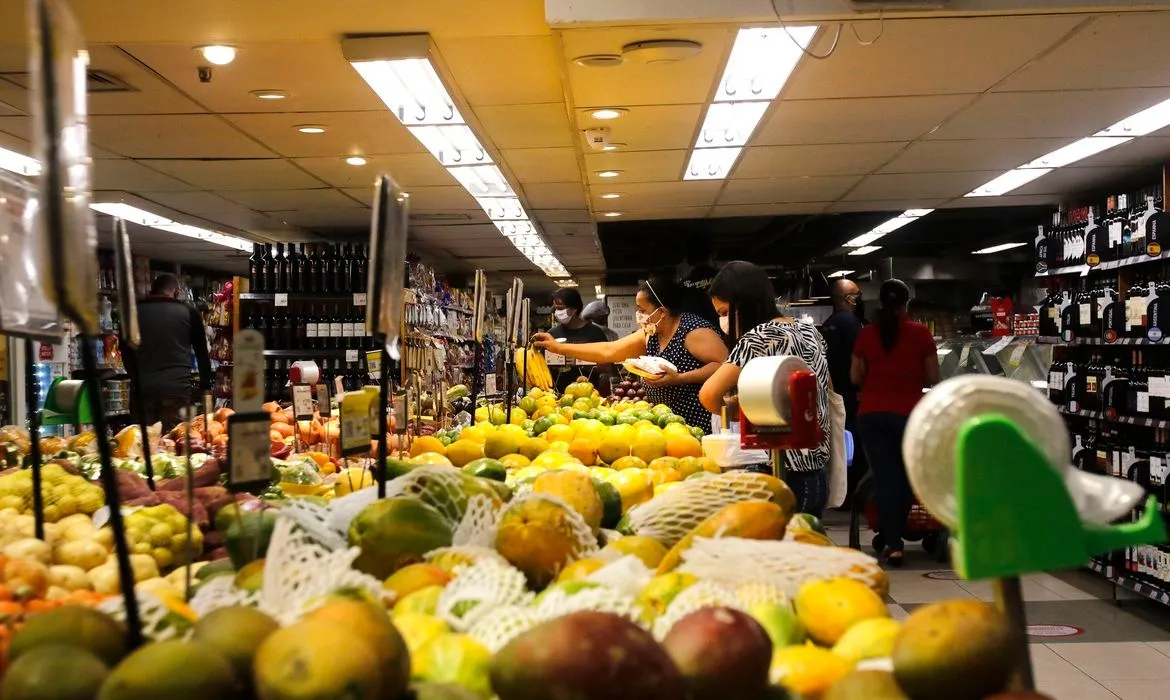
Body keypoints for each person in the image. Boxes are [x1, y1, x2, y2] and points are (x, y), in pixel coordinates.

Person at [699, 261, 832, 517]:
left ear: (744, 304)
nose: (722, 321)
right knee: (806, 543)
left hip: (776, 473)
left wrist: (740, 412)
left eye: (725, 312)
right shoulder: (810, 332)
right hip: (816, 472)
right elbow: (820, 388)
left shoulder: (758, 338)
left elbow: (708, 394)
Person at [534, 276, 727, 432]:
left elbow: (723, 364)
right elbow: (609, 351)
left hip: (697, 423)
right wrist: (558, 347)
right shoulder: (651, 333)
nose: (638, 315)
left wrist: (680, 378)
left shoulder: (692, 331)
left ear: (662, 311)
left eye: (642, 310)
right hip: (667, 424)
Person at [850, 279, 939, 566]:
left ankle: (892, 541)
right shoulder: (921, 333)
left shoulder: (866, 334)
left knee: (885, 476)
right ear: (906, 303)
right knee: (905, 477)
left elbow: (855, 377)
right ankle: (895, 538)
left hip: (871, 415)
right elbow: (933, 378)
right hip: (909, 416)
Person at [123, 273, 212, 431]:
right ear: (176, 292)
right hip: (176, 390)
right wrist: (205, 386)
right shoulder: (189, 312)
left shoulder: (133, 312)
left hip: (144, 390)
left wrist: (136, 377)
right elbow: (201, 352)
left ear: (153, 290)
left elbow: (125, 351)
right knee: (174, 439)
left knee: (142, 440)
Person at [820, 278, 866, 509]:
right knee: (855, 447)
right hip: (851, 394)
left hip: (833, 393)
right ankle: (854, 496)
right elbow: (860, 362)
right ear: (848, 298)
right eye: (856, 294)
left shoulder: (829, 323)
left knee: (841, 446)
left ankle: (842, 493)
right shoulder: (851, 322)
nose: (859, 299)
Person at [547, 287, 611, 393]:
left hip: (590, 395)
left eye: (561, 308)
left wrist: (581, 360)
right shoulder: (551, 334)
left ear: (574, 309)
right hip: (557, 395)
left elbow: (607, 366)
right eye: (555, 309)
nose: (557, 313)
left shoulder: (595, 333)